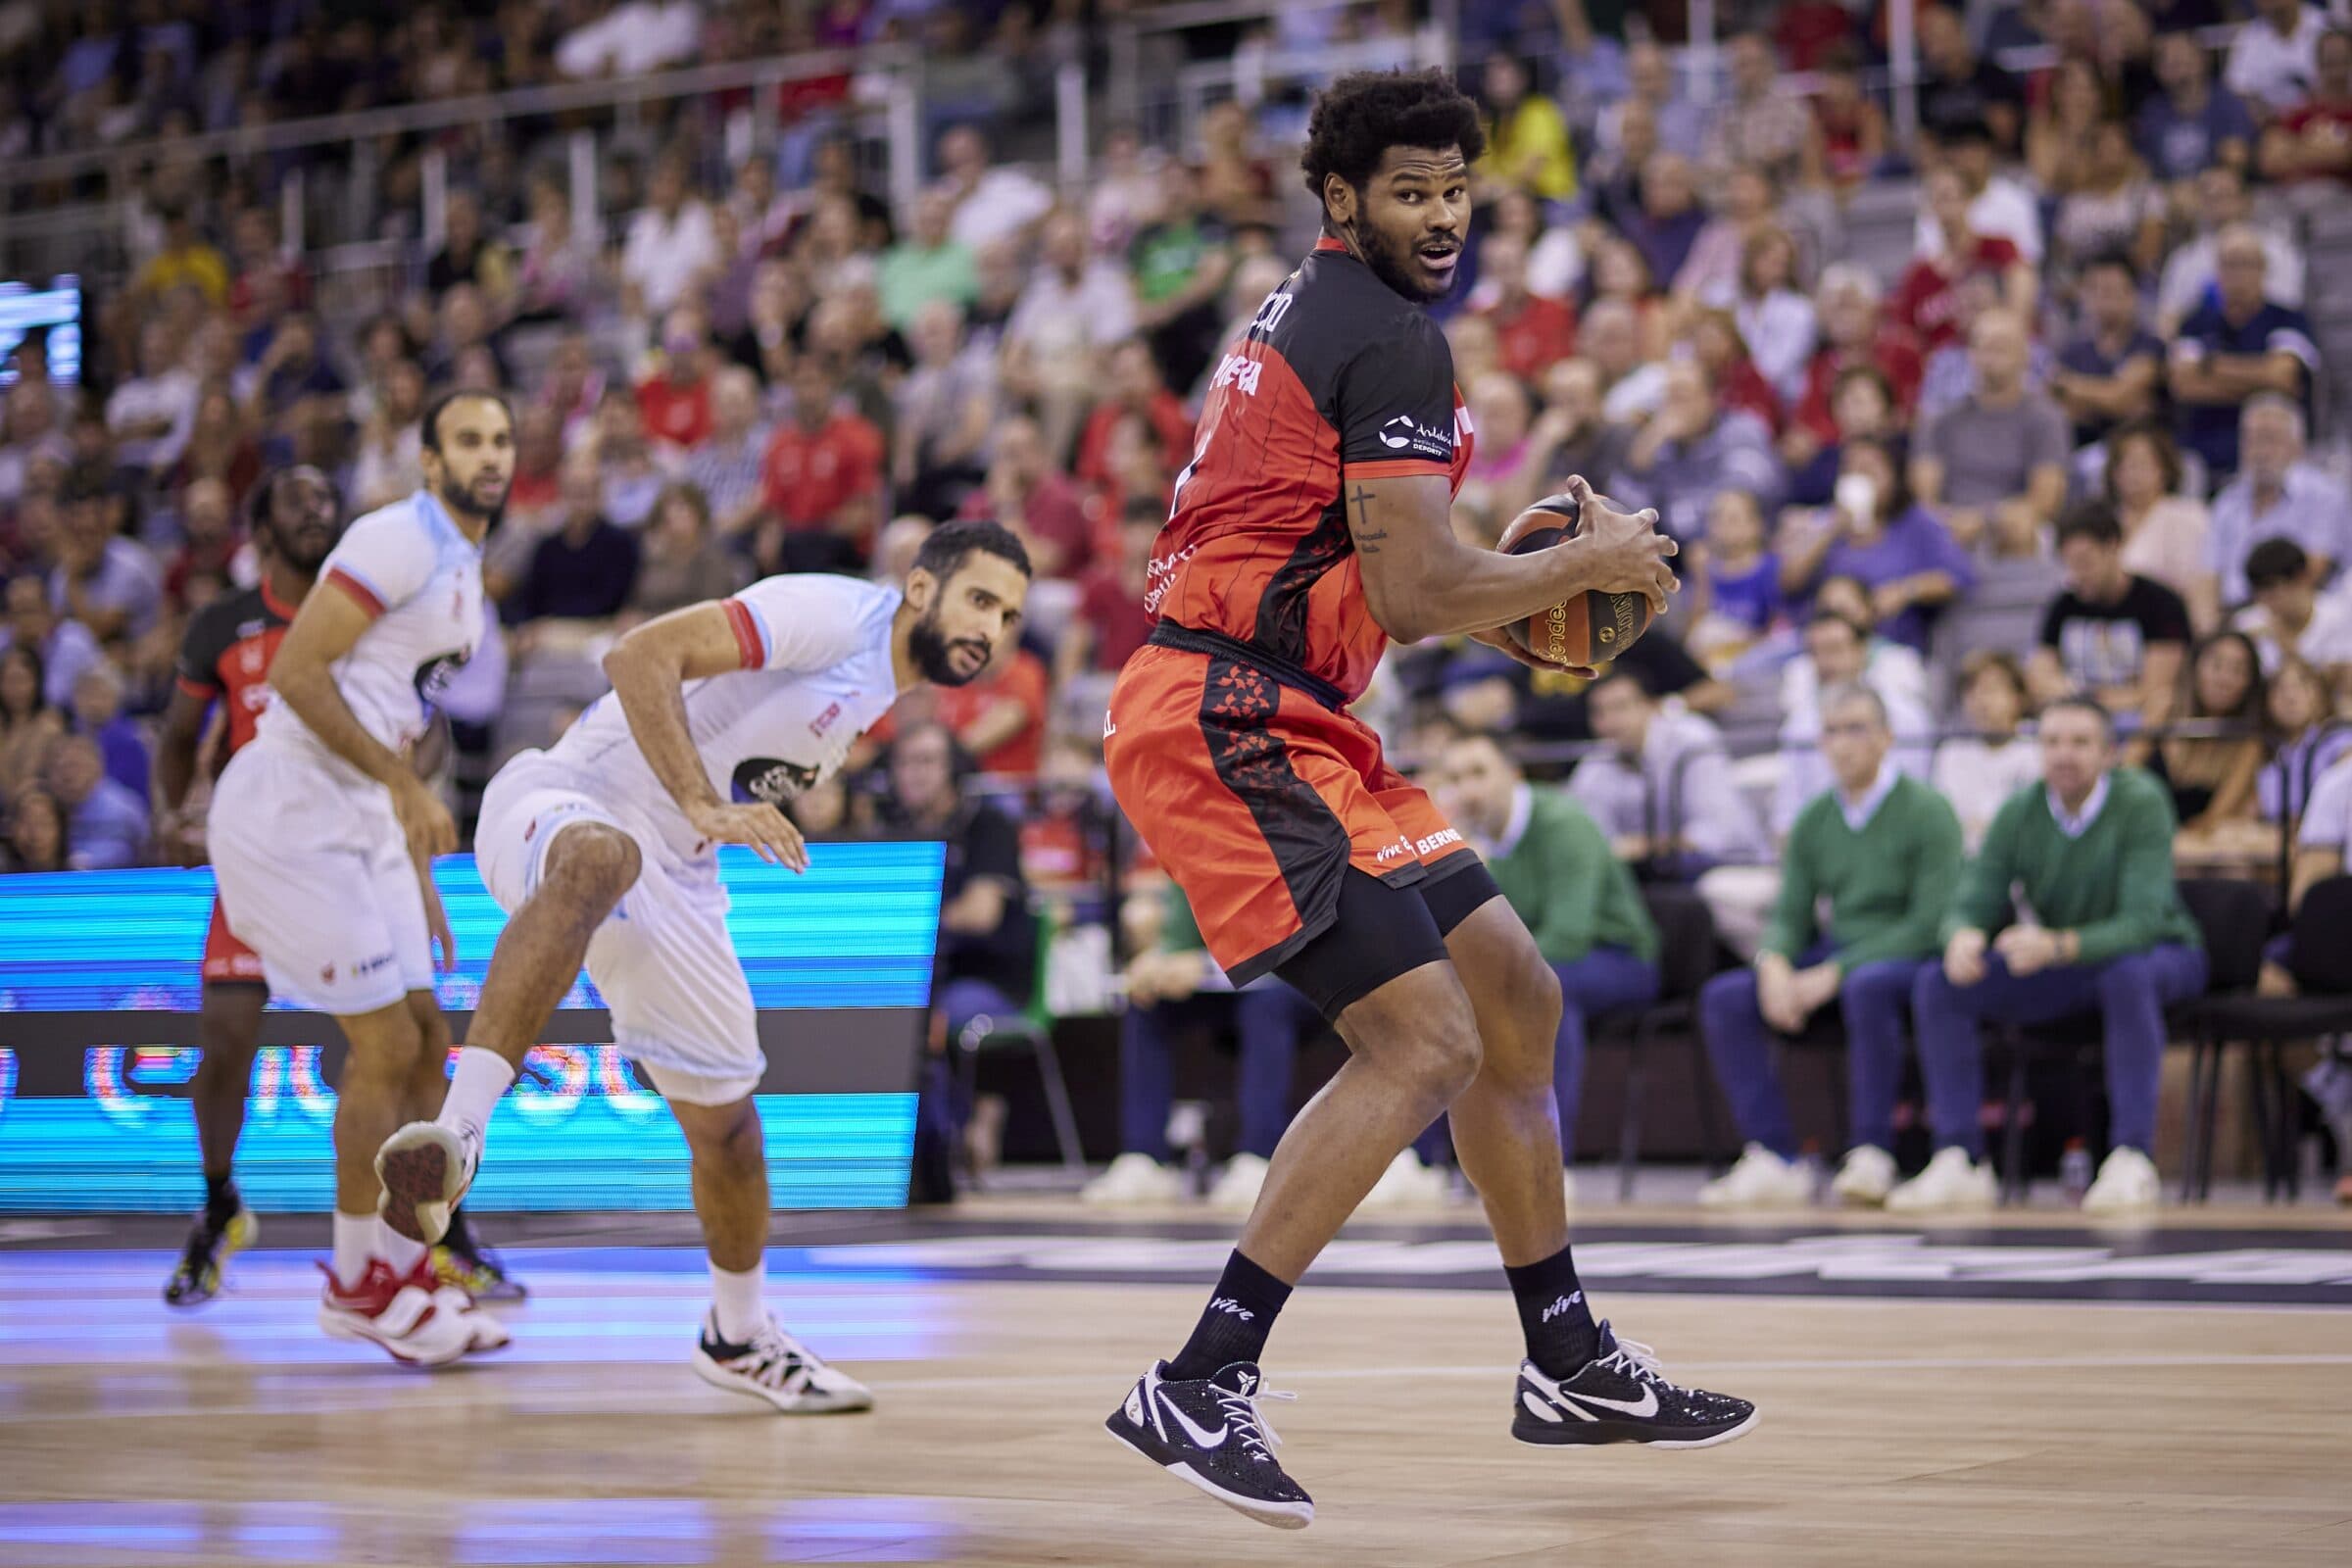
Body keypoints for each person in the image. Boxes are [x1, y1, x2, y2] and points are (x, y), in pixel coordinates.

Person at [1094, 70, 1750, 1530]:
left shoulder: (1325, 311)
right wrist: (1590, 565)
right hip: (1227, 713)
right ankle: (1204, 1374)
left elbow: (1398, 578)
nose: (1444, 216)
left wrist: (1535, 578)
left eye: (1458, 188)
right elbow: (1421, 587)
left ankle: (1567, 1359)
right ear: (1342, 200)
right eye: (1411, 191)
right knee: (1425, 1040)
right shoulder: (1383, 335)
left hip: (1301, 710)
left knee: (1512, 995)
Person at [375, 520, 1032, 1411]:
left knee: (730, 1129)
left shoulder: (883, 683)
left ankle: (737, 1334)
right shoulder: (835, 612)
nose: (992, 630)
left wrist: (717, 811)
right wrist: (697, 799)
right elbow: (638, 655)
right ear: (921, 589)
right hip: (566, 799)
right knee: (604, 857)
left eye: (1010, 617)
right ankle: (456, 1139)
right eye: (981, 601)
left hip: (679, 865)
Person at [204, 392, 514, 1367]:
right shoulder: (395, 538)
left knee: (428, 1041)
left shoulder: (465, 569)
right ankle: (353, 1282)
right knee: (384, 1043)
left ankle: (402, 1265)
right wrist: (399, 791)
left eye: (503, 440)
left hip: (367, 821)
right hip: (290, 812)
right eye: (468, 440)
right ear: (429, 461)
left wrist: (414, 867)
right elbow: (297, 672)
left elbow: (400, 715)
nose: (490, 456)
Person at [1896, 698, 2206, 1216]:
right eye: (2053, 742)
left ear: (2110, 753)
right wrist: (1962, 934)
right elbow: (1974, 895)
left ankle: (2132, 1157)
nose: (2065, 755)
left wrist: (2058, 945)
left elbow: (2143, 922)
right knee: (1938, 983)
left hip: (2162, 954)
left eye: (2080, 743)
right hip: (2067, 961)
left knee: (2127, 976)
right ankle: (1961, 1158)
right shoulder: (2022, 810)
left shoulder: (2141, 802)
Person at [1699, 684, 1964, 1210]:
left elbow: (1930, 922)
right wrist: (1772, 962)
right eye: (1832, 732)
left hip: (1907, 961)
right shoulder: (1815, 818)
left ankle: (1872, 1151)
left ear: (1887, 738)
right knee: (1727, 996)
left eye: (1856, 730)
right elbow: (1789, 914)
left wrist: (1834, 972)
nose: (1842, 744)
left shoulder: (1928, 810)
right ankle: (1775, 1156)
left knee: (1867, 986)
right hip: (1840, 956)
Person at [1436, 728, 1658, 1200]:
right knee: (1442, 997)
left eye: (1479, 773)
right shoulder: (1471, 844)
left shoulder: (1562, 824)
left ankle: (1550, 1162)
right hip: (1535, 962)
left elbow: (1569, 935)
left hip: (1616, 958)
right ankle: (1434, 1163)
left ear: (1513, 776)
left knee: (1548, 993)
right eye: (1456, 778)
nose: (1469, 789)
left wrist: (1486, 976)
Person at [1083, 879, 1324, 1211]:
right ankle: (1145, 1158)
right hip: (1234, 980)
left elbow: (1302, 928)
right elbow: (1179, 941)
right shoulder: (1192, 840)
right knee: (1148, 1003)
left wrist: (1208, 964)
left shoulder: (1285, 836)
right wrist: (1159, 960)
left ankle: (1259, 1156)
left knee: (1265, 1006)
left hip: (1306, 973)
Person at [1571, 667, 1771, 872]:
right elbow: (1589, 841)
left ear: (1650, 706)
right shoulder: (1596, 762)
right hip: (1646, 874)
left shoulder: (1691, 740)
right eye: (1599, 712)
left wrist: (1647, 846)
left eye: (1620, 707)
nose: (1610, 722)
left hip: (1727, 863)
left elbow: (1720, 832)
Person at [1910, 309, 2070, 557]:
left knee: (2021, 524)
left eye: (2001, 347)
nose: (1991, 357)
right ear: (1970, 355)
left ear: (2024, 355)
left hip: (2010, 523)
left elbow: (2045, 499)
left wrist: (1984, 521)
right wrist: (1951, 521)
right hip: (1951, 523)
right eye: (1983, 347)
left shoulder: (2045, 418)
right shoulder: (1941, 419)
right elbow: (1924, 496)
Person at [2169, 229, 2320, 484]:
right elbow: (2183, 385)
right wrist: (2258, 381)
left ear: (2263, 269)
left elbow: (2282, 378)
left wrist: (2211, 365)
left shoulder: (2288, 318)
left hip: (2274, 444)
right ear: (2217, 272)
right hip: (2206, 443)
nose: (2237, 274)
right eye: (2229, 264)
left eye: (2245, 264)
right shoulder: (2195, 323)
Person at [2031, 504, 2191, 736]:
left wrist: (2085, 697)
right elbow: (2041, 675)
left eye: (2085, 562)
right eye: (2069, 565)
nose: (2077, 575)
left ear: (2113, 547)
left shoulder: (2162, 603)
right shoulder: (2062, 605)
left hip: (2138, 726)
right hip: (2075, 723)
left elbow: (2156, 690)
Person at [2207, 395, 2348, 604]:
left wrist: (2258, 614)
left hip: (2297, 615)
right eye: (2251, 439)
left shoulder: (2325, 495)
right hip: (2232, 620)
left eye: (2269, 439)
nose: (2259, 452)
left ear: (2297, 445)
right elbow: (2207, 575)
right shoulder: (2227, 501)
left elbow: (2313, 569)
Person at [2103, 418, 2218, 632]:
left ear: (2164, 468)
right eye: (2125, 465)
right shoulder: (2102, 521)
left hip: (2166, 628)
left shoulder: (2187, 516)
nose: (2132, 474)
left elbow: (2197, 588)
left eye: (2141, 464)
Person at [1933, 651, 2044, 852]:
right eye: (1971, 692)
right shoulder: (1951, 753)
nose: (1981, 701)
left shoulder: (2039, 748)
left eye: (1991, 690)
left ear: (2018, 698)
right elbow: (1945, 825)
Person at [2054, 255, 2166, 451]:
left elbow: (2119, 397)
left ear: (2132, 294)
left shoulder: (2149, 345)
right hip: (2082, 449)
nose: (2102, 298)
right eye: (2094, 289)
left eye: (2110, 290)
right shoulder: (2072, 351)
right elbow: (2061, 407)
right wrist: (2112, 398)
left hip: (2142, 452)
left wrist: (2070, 386)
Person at [2236, 537, 2352, 680]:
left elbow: (2340, 686)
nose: (2265, 601)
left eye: (2272, 589)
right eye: (2259, 593)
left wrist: (2286, 646)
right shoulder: (2248, 624)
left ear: (2301, 578)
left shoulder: (2339, 619)